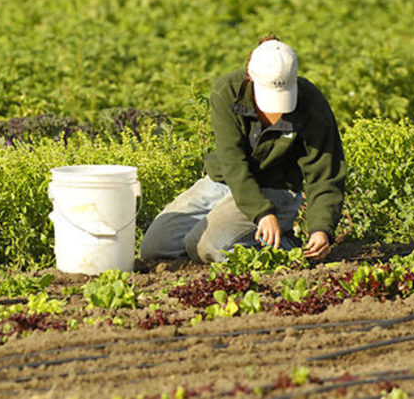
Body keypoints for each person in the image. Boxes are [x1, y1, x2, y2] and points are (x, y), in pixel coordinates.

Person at [140, 34, 345, 263]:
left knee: (209, 248)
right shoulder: (228, 91)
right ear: (250, 77)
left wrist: (321, 229)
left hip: (276, 188)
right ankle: (252, 239)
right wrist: (261, 212)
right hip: (225, 180)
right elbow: (232, 161)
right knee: (155, 248)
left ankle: (289, 249)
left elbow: (326, 172)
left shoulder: (312, 103)